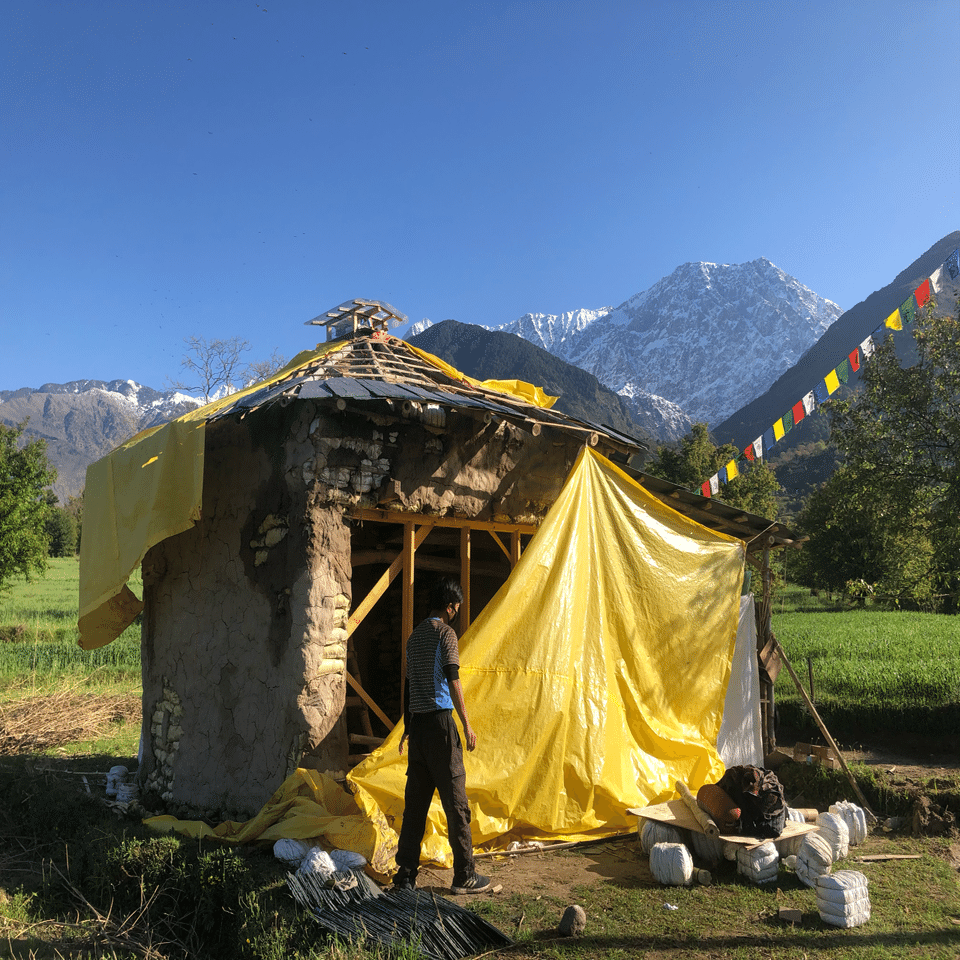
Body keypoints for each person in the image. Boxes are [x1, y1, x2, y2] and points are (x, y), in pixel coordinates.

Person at [393, 578, 491, 894]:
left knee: (415, 806)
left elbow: (409, 688)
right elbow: (453, 681)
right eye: (457, 609)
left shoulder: (414, 637)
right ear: (449, 607)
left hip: (419, 727)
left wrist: (407, 728)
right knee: (456, 804)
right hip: (440, 727)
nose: (456, 614)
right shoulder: (445, 634)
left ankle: (405, 877)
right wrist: (466, 724)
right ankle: (464, 876)